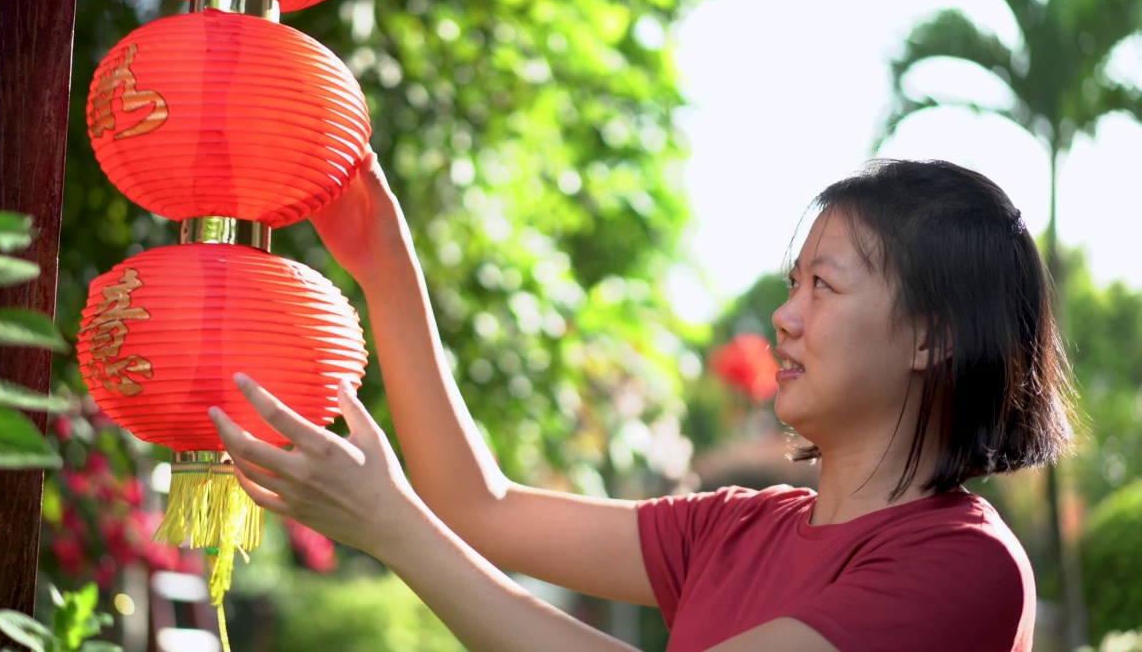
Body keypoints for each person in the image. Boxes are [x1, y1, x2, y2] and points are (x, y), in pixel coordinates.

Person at [210, 155, 1075, 651]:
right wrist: (386, 271)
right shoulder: (734, 529)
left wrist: (391, 526)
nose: (784, 316)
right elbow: (482, 508)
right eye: (790, 283)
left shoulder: (966, 569)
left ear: (932, 338)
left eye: (824, 286)